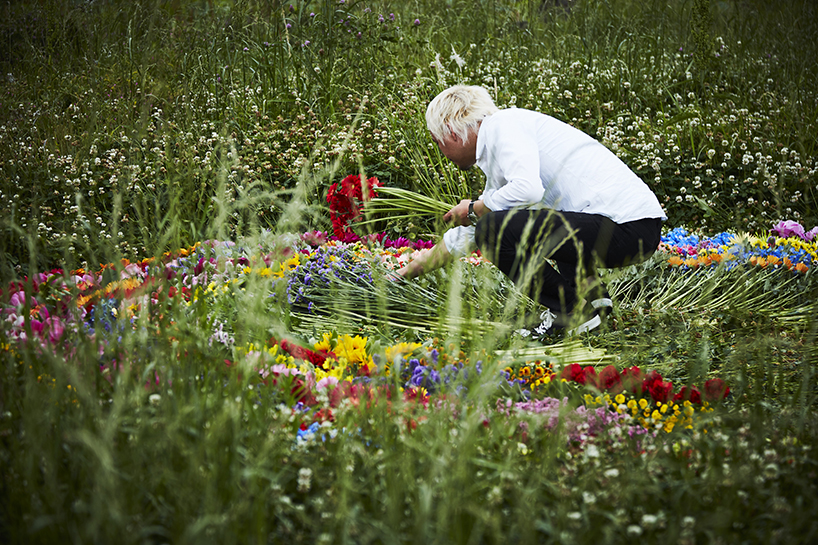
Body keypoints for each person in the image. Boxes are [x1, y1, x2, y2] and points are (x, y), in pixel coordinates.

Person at [396, 85, 666, 336]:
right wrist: (400, 276)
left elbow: (525, 191)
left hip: (626, 228)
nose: (441, 151)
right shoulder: (503, 146)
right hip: (634, 229)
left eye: (437, 142)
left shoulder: (504, 125)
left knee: (496, 229)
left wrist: (474, 208)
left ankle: (571, 312)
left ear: (450, 132)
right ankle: (598, 305)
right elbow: (470, 234)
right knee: (530, 223)